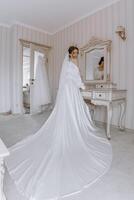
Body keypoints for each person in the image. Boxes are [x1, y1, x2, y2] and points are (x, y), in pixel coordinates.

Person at [5, 46, 112, 200]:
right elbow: (75, 79)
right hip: (72, 90)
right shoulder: (71, 64)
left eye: (77, 53)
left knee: (72, 111)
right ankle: (73, 129)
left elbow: (69, 78)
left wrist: (79, 84)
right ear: (69, 54)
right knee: (72, 111)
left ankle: (74, 126)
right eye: (73, 53)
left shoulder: (70, 64)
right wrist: (82, 86)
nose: (75, 55)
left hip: (69, 90)